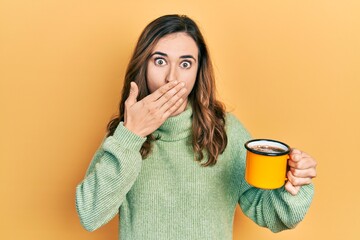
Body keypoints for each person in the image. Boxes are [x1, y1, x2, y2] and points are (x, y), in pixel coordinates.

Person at [75, 14, 317, 239]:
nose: (172, 78)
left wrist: (294, 183)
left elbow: (272, 215)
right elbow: (90, 214)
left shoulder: (223, 131)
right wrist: (131, 134)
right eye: (160, 61)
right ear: (143, 66)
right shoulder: (125, 134)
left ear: (198, 70)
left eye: (185, 64)